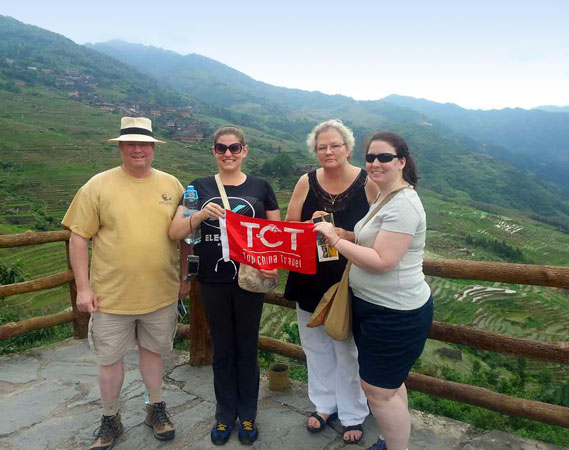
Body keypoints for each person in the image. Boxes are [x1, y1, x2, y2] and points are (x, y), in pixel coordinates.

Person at [62, 117, 186, 450]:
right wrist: (84, 288)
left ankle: (155, 407)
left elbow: (185, 236)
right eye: (130, 143)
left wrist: (185, 277)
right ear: (119, 147)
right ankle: (110, 417)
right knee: (109, 362)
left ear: (153, 148)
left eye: (143, 143)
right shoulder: (97, 186)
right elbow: (78, 238)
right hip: (110, 297)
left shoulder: (172, 185)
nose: (137, 149)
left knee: (153, 354)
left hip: (160, 293)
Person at [313, 131, 433, 450]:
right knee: (389, 387)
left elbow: (383, 260)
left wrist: (335, 242)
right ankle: (392, 441)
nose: (376, 163)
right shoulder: (384, 195)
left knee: (377, 390)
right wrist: (346, 234)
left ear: (402, 162)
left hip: (394, 313)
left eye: (384, 157)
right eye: (370, 158)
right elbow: (372, 239)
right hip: (375, 307)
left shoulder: (404, 204)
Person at [168, 125, 280, 446]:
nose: (228, 153)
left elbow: (274, 233)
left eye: (234, 148)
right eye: (221, 148)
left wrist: (273, 265)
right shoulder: (198, 187)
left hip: (250, 279)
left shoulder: (261, 187)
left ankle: (247, 414)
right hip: (213, 279)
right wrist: (200, 214)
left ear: (244, 151)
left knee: (247, 347)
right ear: (213, 152)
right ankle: (224, 414)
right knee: (222, 349)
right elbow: (176, 231)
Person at [284, 120, 378, 444]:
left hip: (350, 279)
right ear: (315, 151)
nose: (328, 151)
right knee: (315, 346)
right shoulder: (305, 182)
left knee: (347, 349)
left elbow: (379, 233)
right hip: (309, 276)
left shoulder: (368, 183)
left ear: (348, 149)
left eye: (335, 145)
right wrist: (306, 228)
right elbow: (288, 227)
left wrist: (343, 235)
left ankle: (353, 412)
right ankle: (323, 405)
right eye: (322, 147)